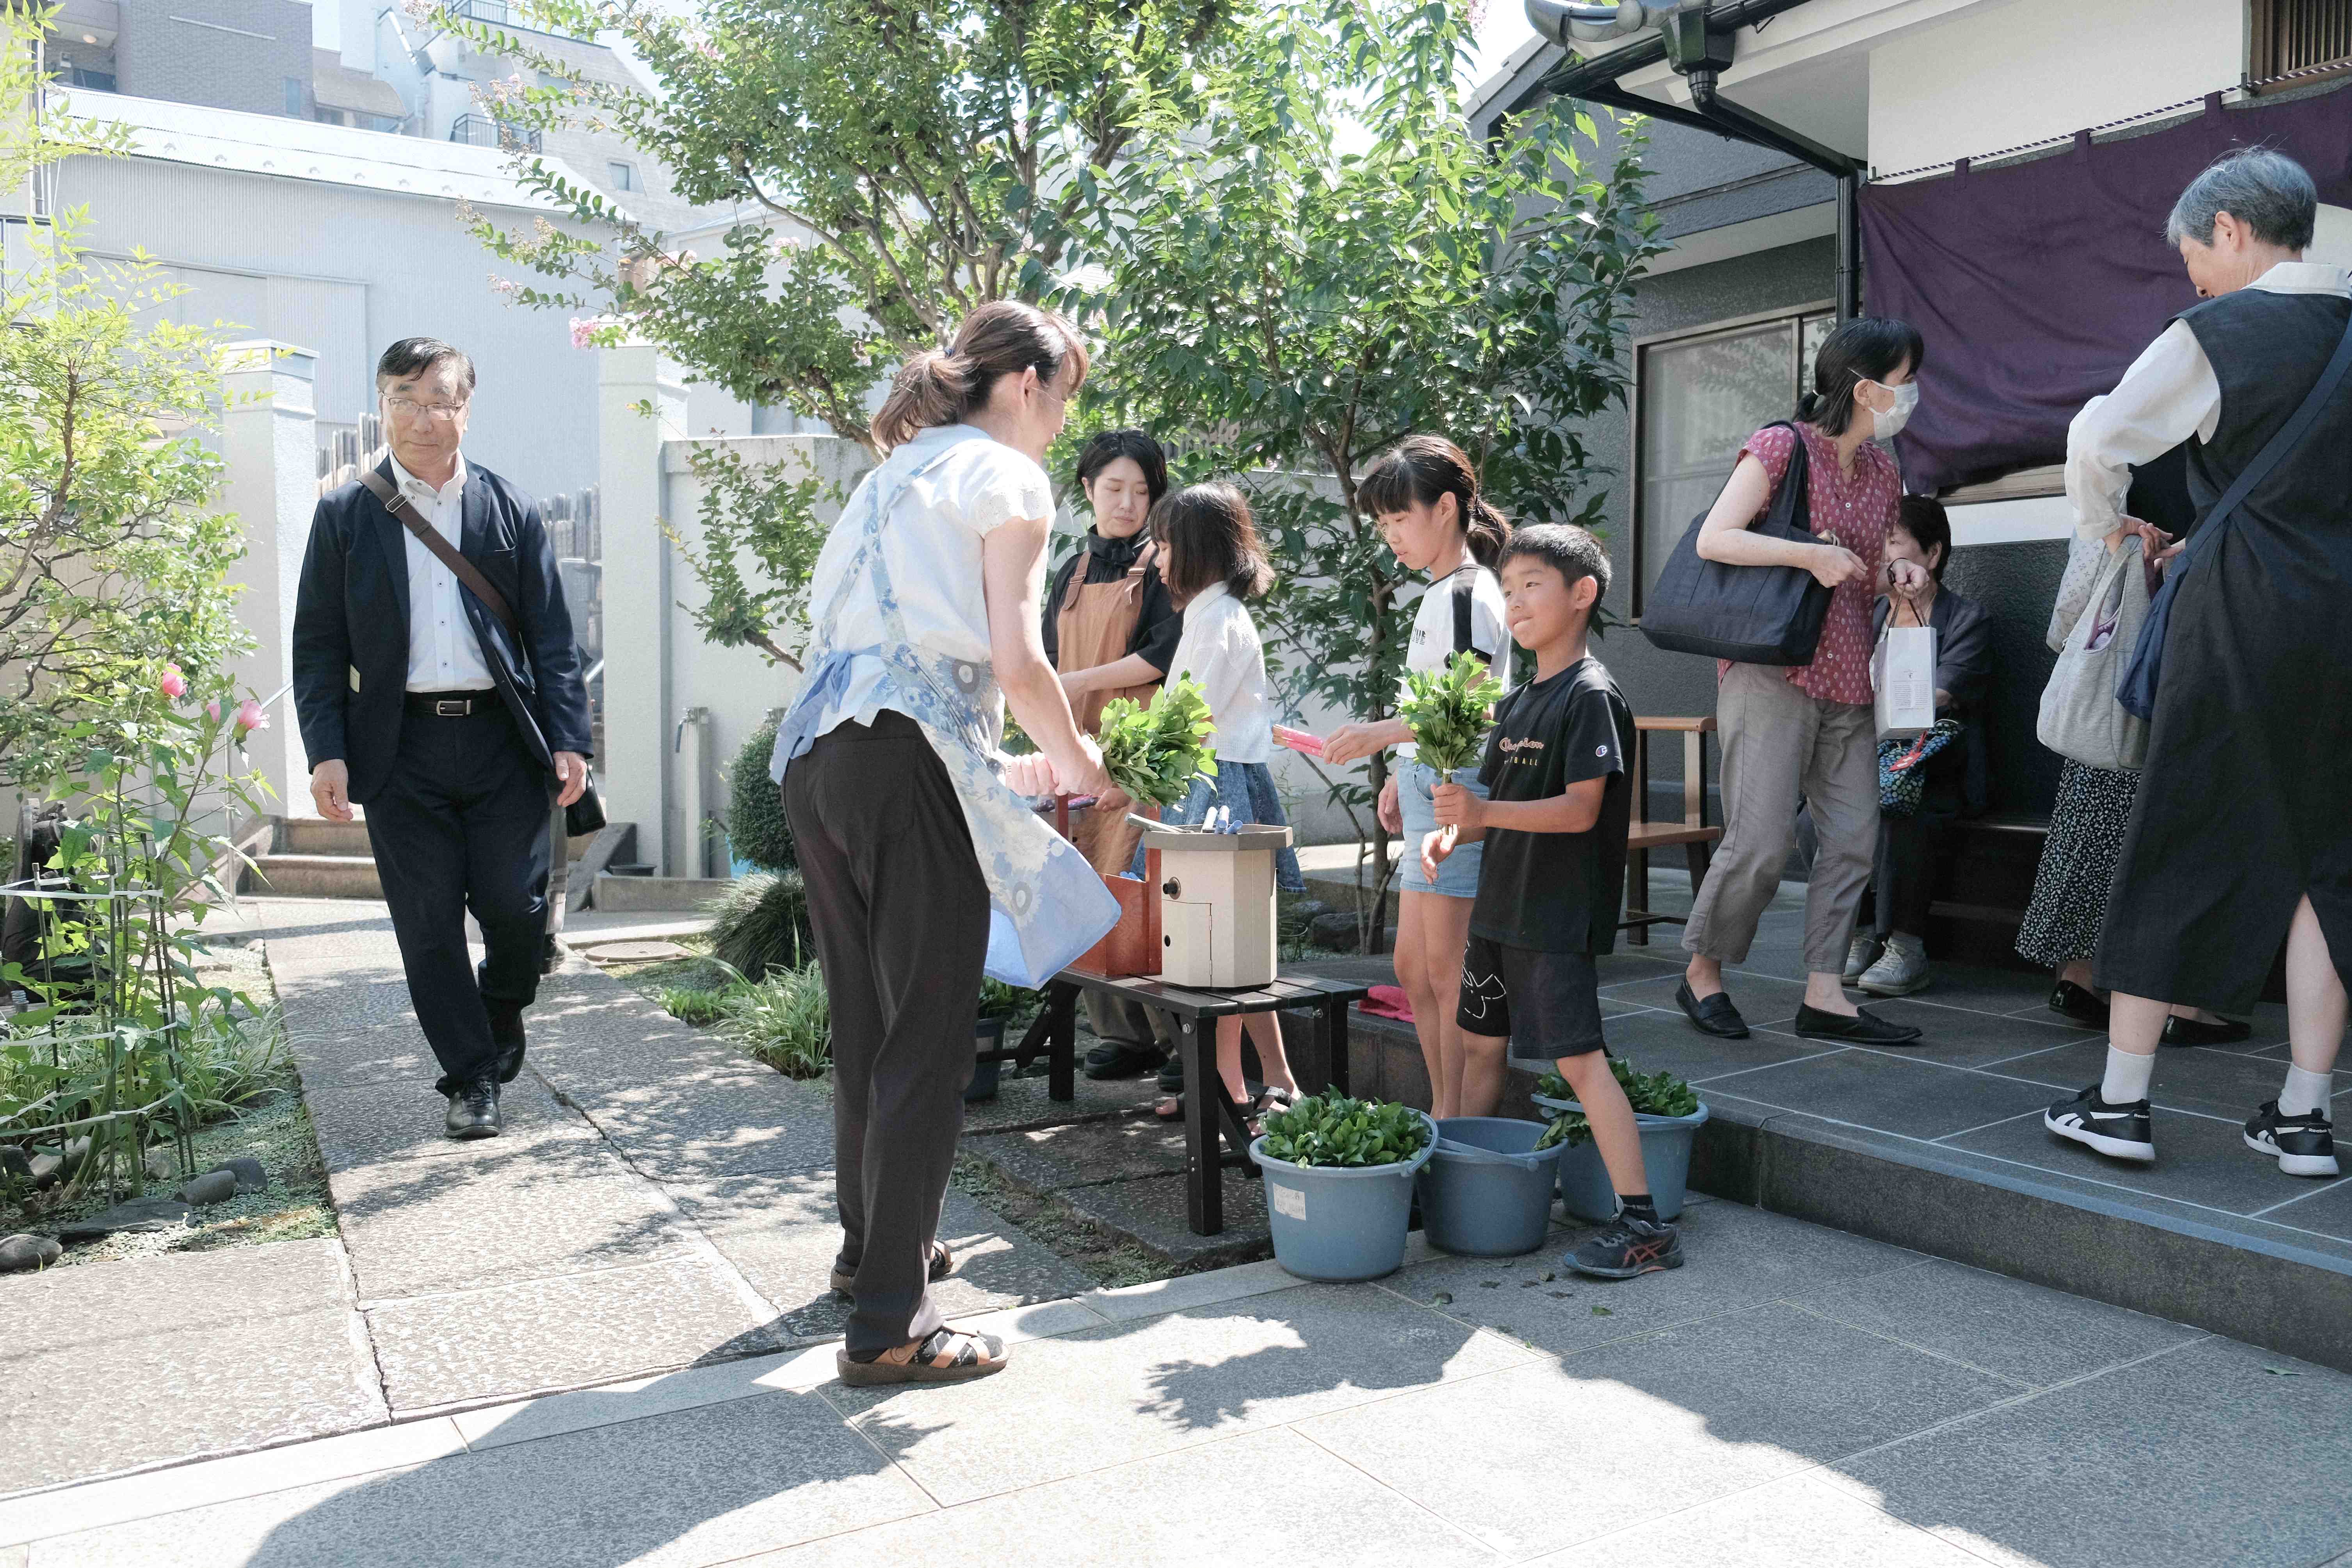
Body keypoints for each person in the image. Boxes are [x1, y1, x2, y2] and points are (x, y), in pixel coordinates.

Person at [772, 301, 1115, 1385]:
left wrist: (1003, 761)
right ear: (1026, 384)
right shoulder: (1007, 478)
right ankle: (891, 1324)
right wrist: (1078, 760)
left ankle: (872, 1252)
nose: (1061, 426)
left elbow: (894, 654)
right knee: (927, 1036)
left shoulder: (888, 477)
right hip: (901, 762)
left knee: (868, 1025)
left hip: (818, 755)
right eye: (1063, 401)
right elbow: (1016, 660)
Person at [2044, 148, 2347, 1178]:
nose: (2196, 281)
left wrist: (2108, 526)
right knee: (2330, 864)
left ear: (2229, 229)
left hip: (2240, 610)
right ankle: (2303, 1119)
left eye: (2193, 257)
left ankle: (2121, 1102)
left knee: (2182, 829)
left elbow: (2098, 439)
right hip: (2344, 626)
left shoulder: (2219, 332)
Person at [292, 337, 592, 1142]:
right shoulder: (346, 516)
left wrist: (570, 738)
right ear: (382, 405)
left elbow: (552, 636)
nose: (422, 419)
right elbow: (316, 645)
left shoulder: (508, 507)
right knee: (427, 925)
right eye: (405, 400)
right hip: (398, 749)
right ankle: (471, 1077)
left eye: (439, 401)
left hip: (501, 742)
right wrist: (326, 750)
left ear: (466, 408)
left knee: (517, 911)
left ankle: (503, 1004)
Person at [1423, 524, 1679, 1279]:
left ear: (1582, 593)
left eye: (1532, 584)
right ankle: (1461, 1179)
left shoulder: (1592, 695)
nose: (1516, 602)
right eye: (1508, 590)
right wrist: (1454, 835)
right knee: (1479, 1045)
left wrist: (1481, 814)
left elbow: (1579, 810)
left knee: (1579, 1062)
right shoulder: (1516, 704)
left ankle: (1645, 1224)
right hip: (1499, 912)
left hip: (1554, 916)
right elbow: (1500, 809)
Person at [1674, 317, 1933, 1047]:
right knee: (1759, 842)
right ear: (1863, 387)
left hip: (1849, 675)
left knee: (1852, 840)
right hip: (1773, 668)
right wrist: (1806, 556)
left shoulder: (1883, 471)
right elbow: (1715, 537)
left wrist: (1896, 574)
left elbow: (1859, 573)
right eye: (1904, 379)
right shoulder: (1781, 445)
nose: (1912, 393)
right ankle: (1701, 973)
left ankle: (1824, 994)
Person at [1321, 435, 1514, 1119]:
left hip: (1457, 786)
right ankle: (1443, 1111)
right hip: (1430, 780)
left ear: (1447, 507)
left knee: (1446, 968)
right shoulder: (1443, 590)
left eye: (1400, 518)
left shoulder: (1467, 591)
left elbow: (1473, 703)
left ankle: (1457, 1124)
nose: (1392, 536)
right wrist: (1397, 772)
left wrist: (1381, 736)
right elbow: (1439, 702)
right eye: (1383, 523)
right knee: (1414, 968)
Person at [1136, 482, 1308, 1131]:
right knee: (1237, 946)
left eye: (1164, 545)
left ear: (1196, 550)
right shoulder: (1215, 613)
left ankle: (1230, 1094)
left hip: (1214, 789)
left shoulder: (1216, 619)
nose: (1156, 559)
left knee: (1217, 952)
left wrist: (1124, 770)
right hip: (1219, 782)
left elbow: (1188, 720)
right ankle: (1273, 1081)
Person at [1041, 429, 1186, 1082]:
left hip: (1140, 758)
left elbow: (1161, 656)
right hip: (1076, 756)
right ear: (1088, 489)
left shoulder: (1164, 568)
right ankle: (1122, 1035)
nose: (1127, 503)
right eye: (1114, 488)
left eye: (1141, 491)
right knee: (1085, 889)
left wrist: (1076, 681)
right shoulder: (1068, 572)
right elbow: (1042, 659)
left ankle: (1180, 1039)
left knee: (1141, 892)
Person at [1845, 496, 1991, 996]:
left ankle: (1906, 946)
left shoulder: (1966, 619)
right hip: (1865, 758)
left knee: (1901, 809)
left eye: (1892, 541)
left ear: (1931, 553)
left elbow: (1942, 694)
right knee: (1813, 814)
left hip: (1933, 766)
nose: (1880, 552)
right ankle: (1861, 933)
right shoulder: (1865, 616)